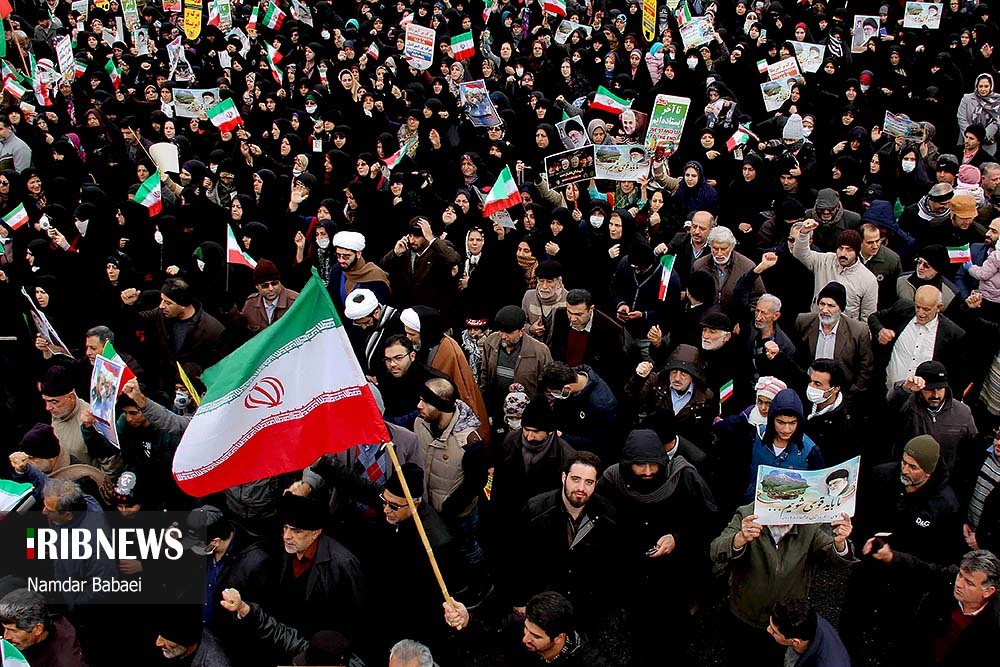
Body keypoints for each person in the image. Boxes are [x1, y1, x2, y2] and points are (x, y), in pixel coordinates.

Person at [710, 503, 855, 661]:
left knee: (772, 658)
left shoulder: (810, 522)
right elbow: (716, 551)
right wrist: (739, 539)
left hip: (783, 621)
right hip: (745, 611)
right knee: (738, 654)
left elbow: (835, 559)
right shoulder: (747, 514)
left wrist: (840, 544)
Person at [862, 545, 1000, 666]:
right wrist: (891, 556)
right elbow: (920, 569)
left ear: (988, 591)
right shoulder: (949, 577)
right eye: (960, 575)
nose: (958, 584)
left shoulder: (994, 623)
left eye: (969, 583)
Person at [443, 591, 611, 665]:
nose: (525, 639)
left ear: (559, 638)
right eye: (526, 629)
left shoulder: (588, 660)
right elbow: (487, 634)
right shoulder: (517, 625)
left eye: (536, 636)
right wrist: (467, 620)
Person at [870, 287, 967, 392]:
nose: (920, 313)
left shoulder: (952, 334)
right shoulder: (903, 308)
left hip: (921, 398)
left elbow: (954, 373)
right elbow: (874, 317)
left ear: (939, 307)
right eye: (918, 307)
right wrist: (880, 331)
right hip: (886, 389)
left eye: (926, 309)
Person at [793, 219, 879, 321]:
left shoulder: (868, 280)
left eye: (849, 250)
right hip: (817, 323)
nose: (843, 254)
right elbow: (800, 253)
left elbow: (867, 317)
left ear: (857, 252)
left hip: (845, 329)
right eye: (841, 248)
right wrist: (803, 233)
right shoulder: (824, 260)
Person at [545, 289, 627, 393]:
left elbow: (613, 368)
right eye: (569, 312)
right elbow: (556, 350)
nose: (572, 318)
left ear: (591, 309)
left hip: (591, 386)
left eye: (578, 314)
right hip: (564, 381)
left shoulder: (611, 330)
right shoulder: (560, 315)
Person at [479, 305, 553, 412]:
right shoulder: (491, 342)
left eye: (508, 333)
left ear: (521, 331)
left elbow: (549, 386)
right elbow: (484, 375)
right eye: (501, 331)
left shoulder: (540, 351)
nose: (503, 336)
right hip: (495, 408)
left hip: (526, 412)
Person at [538, 362, 618, 460]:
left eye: (555, 393)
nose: (554, 396)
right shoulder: (569, 375)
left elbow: (598, 442)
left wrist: (563, 436)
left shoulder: (602, 406)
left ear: (568, 388)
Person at [0, 589, 87, 667]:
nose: (6, 636)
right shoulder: (33, 620)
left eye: (13, 631)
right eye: (5, 628)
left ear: (38, 629)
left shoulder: (64, 661)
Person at [767, 599, 851, 667]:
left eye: (774, 631)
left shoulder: (829, 663)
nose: (768, 629)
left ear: (795, 641)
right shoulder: (805, 618)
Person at [240, 259, 299, 335]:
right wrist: (231, 311)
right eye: (265, 285)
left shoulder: (295, 301)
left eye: (274, 283)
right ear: (257, 286)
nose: (271, 288)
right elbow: (241, 327)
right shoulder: (251, 304)